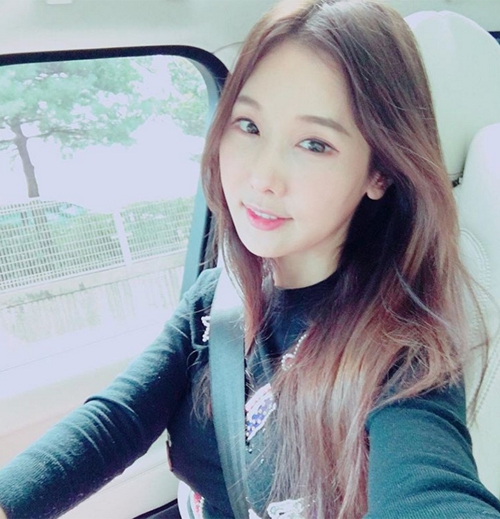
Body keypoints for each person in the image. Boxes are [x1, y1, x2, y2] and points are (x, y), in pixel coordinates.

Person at [1, 0, 500, 518]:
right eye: (249, 125)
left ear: (379, 172)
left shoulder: (401, 348)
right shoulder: (214, 302)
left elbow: (431, 490)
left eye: (314, 144)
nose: (263, 177)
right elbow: (116, 420)